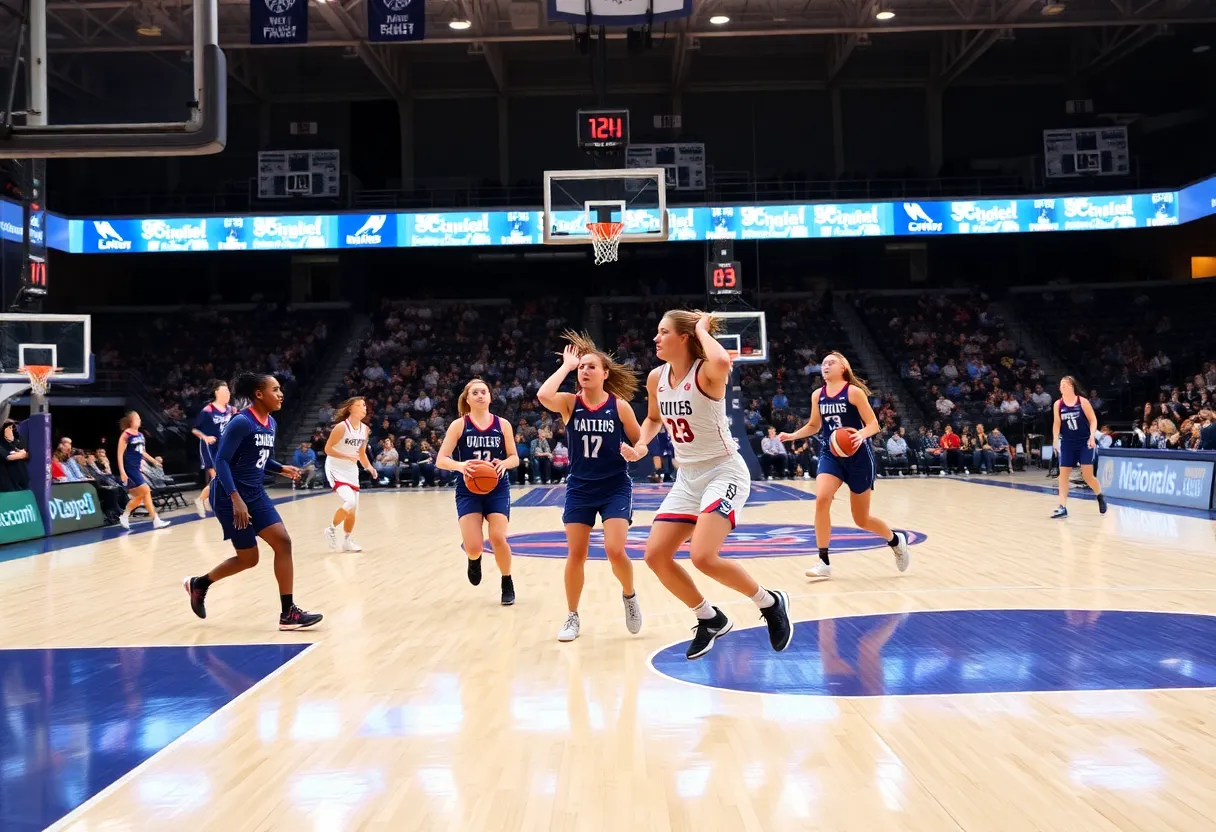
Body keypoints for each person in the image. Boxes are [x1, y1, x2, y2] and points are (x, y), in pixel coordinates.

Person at [621, 310, 792, 660]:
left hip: (723, 471)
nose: (656, 338)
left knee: (702, 556)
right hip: (687, 476)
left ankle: (770, 602)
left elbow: (719, 359)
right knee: (655, 556)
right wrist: (641, 445)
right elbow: (653, 418)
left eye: (663, 331)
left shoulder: (708, 372)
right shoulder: (656, 377)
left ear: (684, 338)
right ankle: (709, 617)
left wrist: (701, 327)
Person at [184, 372, 322, 630]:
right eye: (275, 389)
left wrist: (281, 468)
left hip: (254, 492)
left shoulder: (270, 423)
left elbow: (258, 457)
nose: (281, 394)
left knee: (283, 542)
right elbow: (222, 461)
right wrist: (235, 498)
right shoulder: (241, 422)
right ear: (259, 394)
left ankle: (288, 613)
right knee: (249, 559)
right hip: (229, 494)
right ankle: (200, 583)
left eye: (281, 389)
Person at [537, 332, 644, 643]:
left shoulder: (619, 406)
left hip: (614, 486)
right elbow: (544, 396)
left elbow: (641, 443)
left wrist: (636, 452)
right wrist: (565, 366)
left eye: (590, 366)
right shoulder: (570, 404)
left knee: (614, 549)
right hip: (581, 487)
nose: (584, 370)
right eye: (581, 366)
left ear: (605, 374)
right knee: (576, 554)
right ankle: (572, 615)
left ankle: (629, 596)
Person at [779, 352, 910, 581]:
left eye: (831, 362)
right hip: (831, 454)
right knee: (821, 499)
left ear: (843, 368)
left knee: (861, 519)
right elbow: (813, 425)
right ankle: (823, 560)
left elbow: (873, 424)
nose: (825, 366)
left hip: (859, 456)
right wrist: (792, 436)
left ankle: (895, 539)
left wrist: (860, 434)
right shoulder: (817, 395)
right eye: (823, 363)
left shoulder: (853, 392)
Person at [437, 379, 520, 605]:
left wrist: (504, 463)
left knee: (497, 537)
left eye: (484, 392)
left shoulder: (503, 424)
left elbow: (515, 458)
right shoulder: (459, 425)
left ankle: (507, 581)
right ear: (468, 398)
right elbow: (441, 459)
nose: (481, 395)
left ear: (490, 397)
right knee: (473, 547)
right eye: (475, 392)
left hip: (497, 488)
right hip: (469, 489)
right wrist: (461, 466)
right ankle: (474, 560)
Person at [323, 397, 376, 552]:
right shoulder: (341, 427)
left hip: (351, 470)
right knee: (350, 501)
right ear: (351, 408)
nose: (364, 408)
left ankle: (347, 540)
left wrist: (369, 467)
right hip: (335, 468)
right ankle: (331, 530)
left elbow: (361, 453)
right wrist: (347, 456)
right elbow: (328, 449)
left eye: (365, 406)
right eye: (360, 405)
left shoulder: (365, 429)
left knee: (353, 510)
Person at [1051, 375, 1107, 518]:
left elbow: (1093, 420)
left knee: (1088, 476)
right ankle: (1062, 506)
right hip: (1068, 443)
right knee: (1063, 475)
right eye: (1060, 385)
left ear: (1071, 386)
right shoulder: (1058, 404)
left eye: (1064, 384)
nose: (1061, 387)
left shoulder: (1082, 402)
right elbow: (1057, 424)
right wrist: (1055, 439)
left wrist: (1092, 435)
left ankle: (1099, 495)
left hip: (1084, 443)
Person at [116, 411, 170, 530]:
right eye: (137, 418)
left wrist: (153, 461)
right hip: (129, 468)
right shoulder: (126, 434)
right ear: (131, 420)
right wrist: (122, 472)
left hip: (137, 467)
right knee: (146, 490)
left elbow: (142, 452)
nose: (140, 420)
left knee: (142, 496)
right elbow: (119, 454)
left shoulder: (140, 435)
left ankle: (125, 515)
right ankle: (155, 520)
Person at [190, 380, 237, 518]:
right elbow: (194, 429)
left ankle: (205, 500)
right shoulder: (208, 410)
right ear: (217, 393)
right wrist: (205, 437)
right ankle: (201, 500)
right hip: (210, 448)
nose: (228, 393)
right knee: (218, 477)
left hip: (225, 447)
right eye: (225, 391)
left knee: (223, 477)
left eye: (228, 391)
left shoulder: (232, 410)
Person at [0, 419, 29, 493]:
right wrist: (21, 454)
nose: (12, 429)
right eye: (9, 427)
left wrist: (17, 452)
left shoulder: (18, 440)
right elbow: (9, 457)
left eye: (12, 427)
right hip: (8, 484)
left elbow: (24, 452)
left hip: (23, 481)